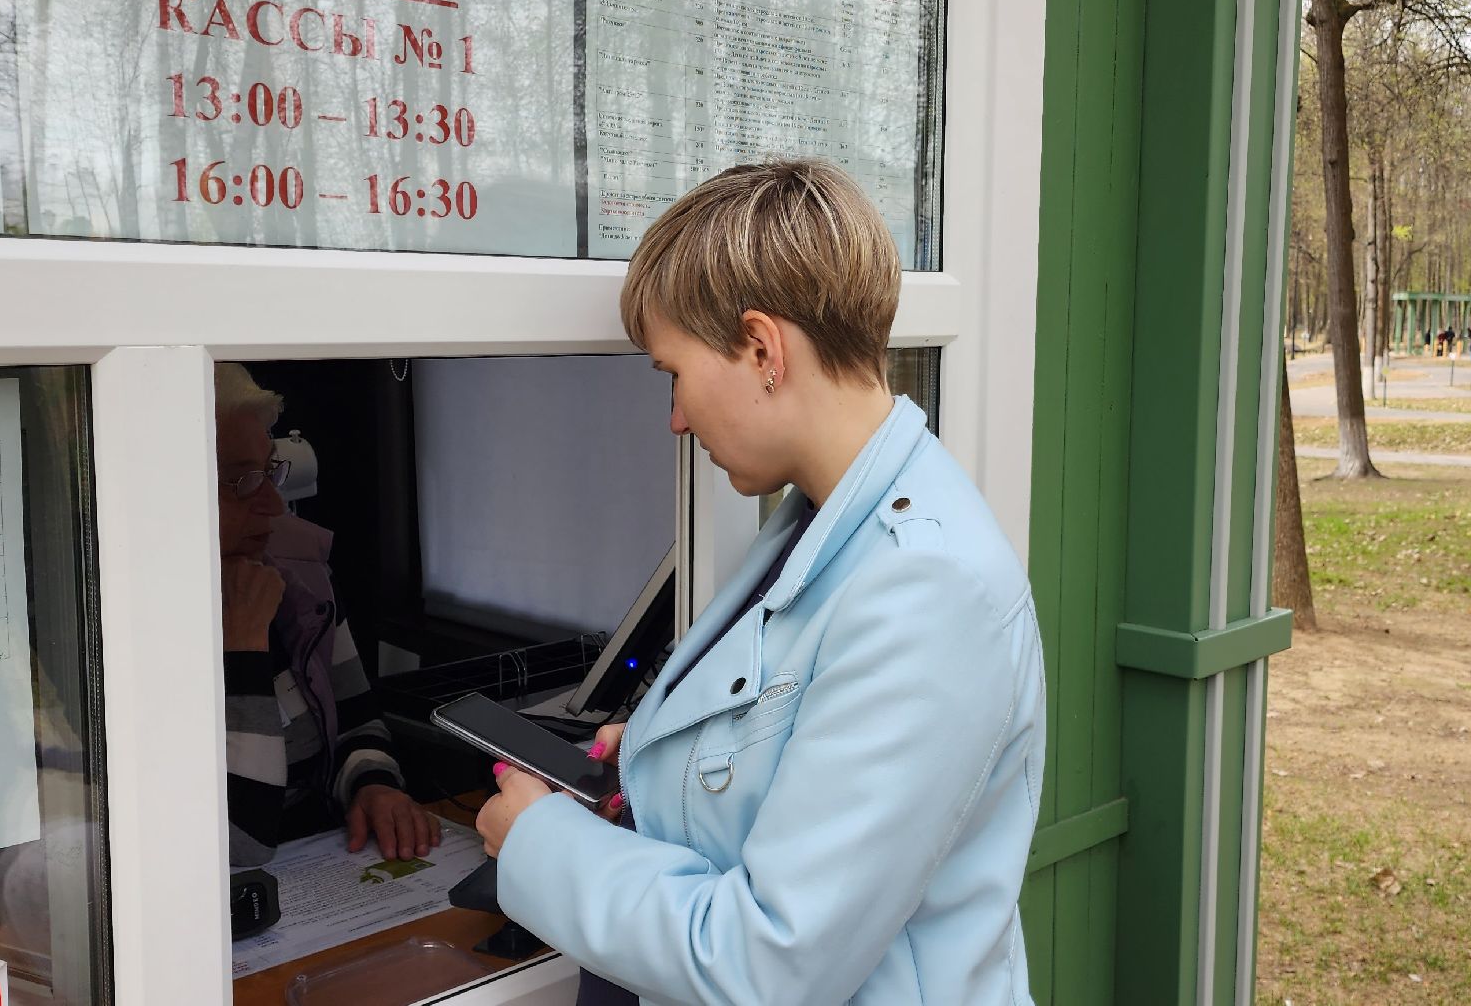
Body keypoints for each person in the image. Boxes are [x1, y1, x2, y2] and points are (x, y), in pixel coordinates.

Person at [476, 161, 1047, 1005]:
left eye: (673, 372)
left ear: (760, 347)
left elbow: (771, 961)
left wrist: (535, 842)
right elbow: (789, 743)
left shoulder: (927, 588)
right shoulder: (820, 521)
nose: (675, 415)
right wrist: (649, 760)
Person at [215, 364, 438, 867]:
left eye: (269, 472)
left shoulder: (298, 572)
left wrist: (373, 784)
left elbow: (356, 722)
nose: (273, 505)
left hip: (314, 861)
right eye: (239, 481)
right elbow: (238, 843)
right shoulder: (112, 631)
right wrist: (243, 643)